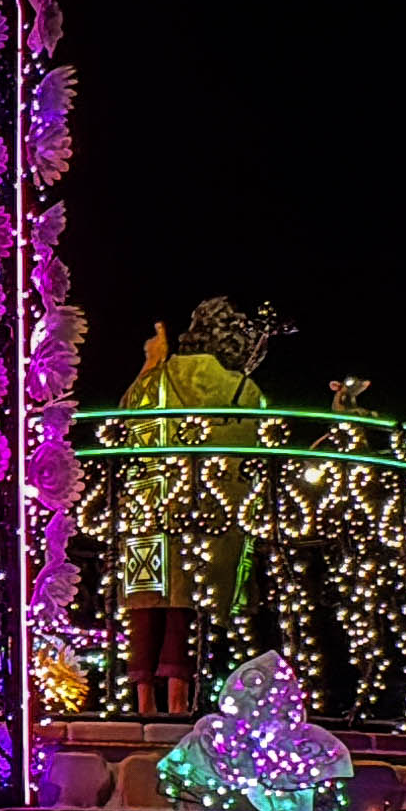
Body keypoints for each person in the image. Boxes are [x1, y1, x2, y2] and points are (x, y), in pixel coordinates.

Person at [115, 298, 268, 717]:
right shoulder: (243, 389)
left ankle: (144, 702)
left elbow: (128, 420)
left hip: (150, 504)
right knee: (188, 608)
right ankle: (180, 699)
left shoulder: (159, 377)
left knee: (146, 606)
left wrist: (151, 363)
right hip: (211, 516)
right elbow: (253, 449)